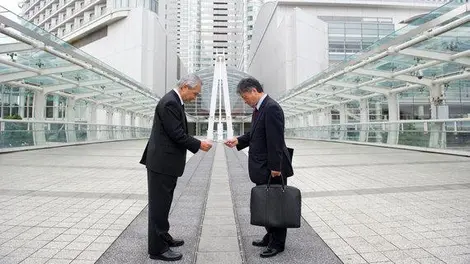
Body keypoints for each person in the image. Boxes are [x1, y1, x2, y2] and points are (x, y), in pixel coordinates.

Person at [140, 74, 213, 261]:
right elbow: (177, 134)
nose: (194, 98)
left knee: (163, 205)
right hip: (161, 164)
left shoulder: (174, 101)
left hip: (164, 164)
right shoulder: (170, 103)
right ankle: (157, 250)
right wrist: (199, 145)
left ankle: (163, 237)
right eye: (195, 94)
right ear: (185, 87)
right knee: (158, 207)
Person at [225, 77, 293, 258]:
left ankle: (277, 243)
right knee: (266, 202)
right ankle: (270, 235)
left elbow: (275, 140)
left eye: (245, 96)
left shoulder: (271, 108)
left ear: (254, 90)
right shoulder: (259, 109)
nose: (244, 101)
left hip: (271, 167)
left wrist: (276, 167)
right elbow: (255, 134)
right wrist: (238, 140)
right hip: (262, 166)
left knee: (275, 204)